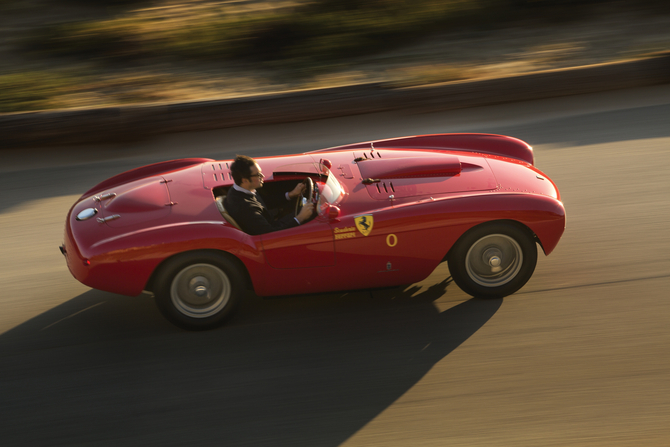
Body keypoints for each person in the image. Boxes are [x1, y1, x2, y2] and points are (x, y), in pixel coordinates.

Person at [224, 155, 315, 235]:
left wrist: (291, 194)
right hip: (274, 231)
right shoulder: (244, 208)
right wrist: (300, 218)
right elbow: (270, 233)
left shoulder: (241, 190)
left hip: (274, 223)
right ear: (245, 180)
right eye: (258, 174)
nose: (262, 176)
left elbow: (264, 202)